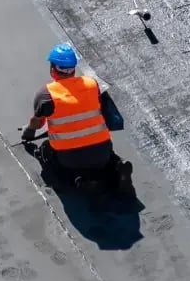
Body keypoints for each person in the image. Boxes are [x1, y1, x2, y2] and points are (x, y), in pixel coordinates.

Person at [21, 43, 133, 191]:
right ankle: (117, 165)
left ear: (53, 68)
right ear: (73, 68)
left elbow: (38, 123)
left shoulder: (46, 94)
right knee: (104, 157)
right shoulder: (92, 84)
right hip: (102, 151)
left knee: (47, 153)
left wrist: (27, 132)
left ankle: (79, 180)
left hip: (69, 158)